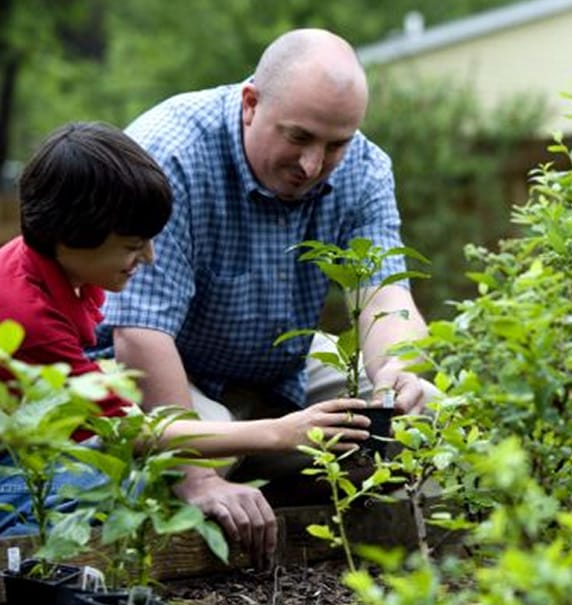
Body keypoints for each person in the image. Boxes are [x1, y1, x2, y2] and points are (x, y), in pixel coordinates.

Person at [94, 29, 434, 561]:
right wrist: (200, 479)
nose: (313, 164)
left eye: (335, 144)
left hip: (283, 373)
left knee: (428, 419)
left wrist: (395, 373)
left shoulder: (366, 169)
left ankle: (282, 503)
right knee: (200, 451)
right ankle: (227, 495)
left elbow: (385, 294)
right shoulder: (171, 154)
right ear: (251, 104)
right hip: (172, 374)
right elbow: (138, 336)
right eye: (299, 137)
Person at [0, 121, 374, 537]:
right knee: (135, 482)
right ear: (70, 236)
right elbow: (127, 432)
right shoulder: (24, 314)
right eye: (131, 245)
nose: (148, 256)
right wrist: (280, 432)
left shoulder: (59, 267)